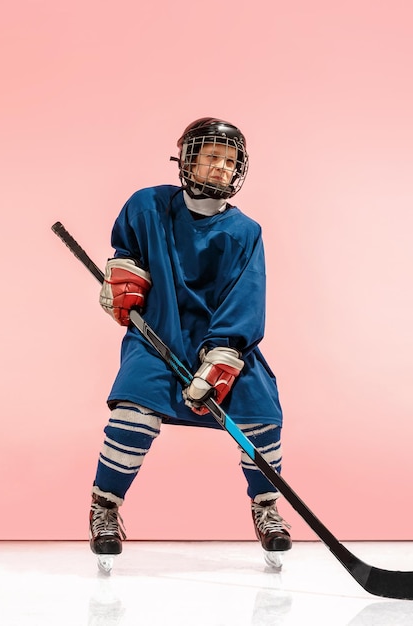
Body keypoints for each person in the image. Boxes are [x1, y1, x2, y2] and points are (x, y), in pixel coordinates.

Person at [89, 117, 291, 569]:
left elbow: (246, 296)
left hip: (222, 342)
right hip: (158, 332)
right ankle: (105, 507)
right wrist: (123, 275)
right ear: (187, 159)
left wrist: (222, 357)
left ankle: (266, 507)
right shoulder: (147, 206)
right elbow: (128, 253)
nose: (221, 167)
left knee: (261, 415)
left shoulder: (245, 231)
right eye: (212, 157)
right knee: (133, 410)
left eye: (230, 160)